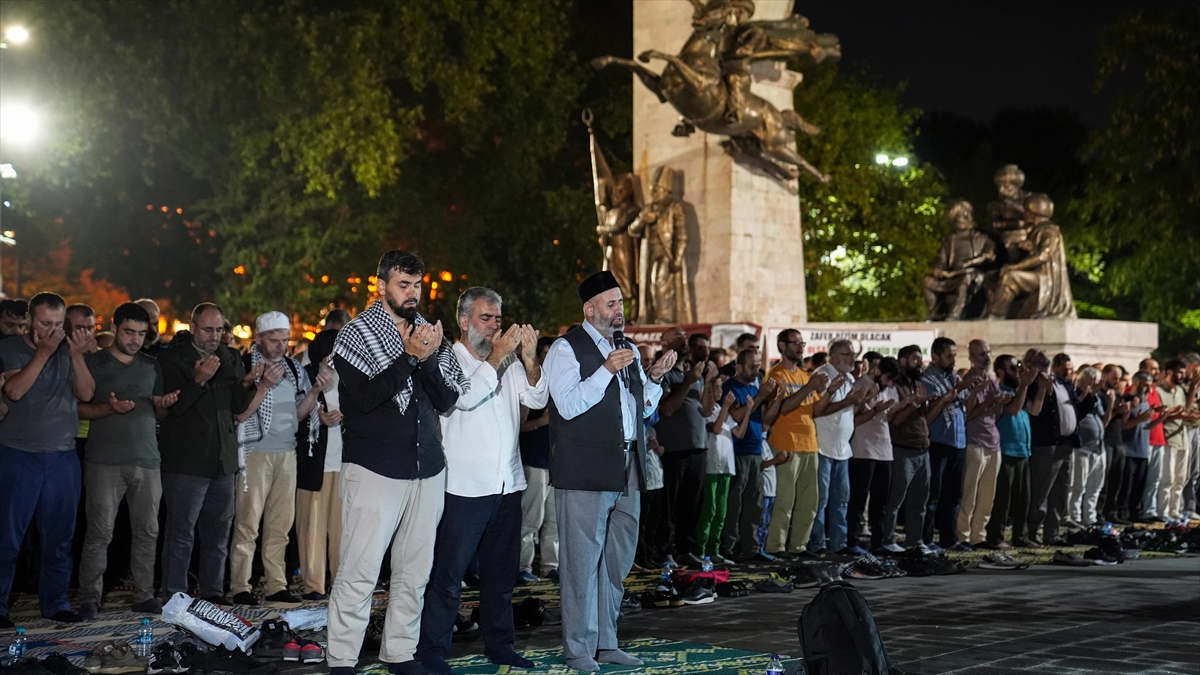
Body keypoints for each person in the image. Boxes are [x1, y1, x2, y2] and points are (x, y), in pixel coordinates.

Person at [326, 250, 466, 675]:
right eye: (403, 284)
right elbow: (364, 399)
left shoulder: (428, 335)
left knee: (414, 572)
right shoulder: (355, 334)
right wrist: (407, 358)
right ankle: (342, 660)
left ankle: (400, 653)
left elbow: (445, 401)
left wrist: (424, 358)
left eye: (417, 285)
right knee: (359, 571)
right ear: (381, 285)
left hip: (427, 469)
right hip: (374, 469)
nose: (412, 293)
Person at [544, 270, 676, 673]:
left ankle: (607, 642)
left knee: (616, 563)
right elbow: (566, 406)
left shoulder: (629, 349)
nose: (619, 311)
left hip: (628, 466)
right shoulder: (567, 349)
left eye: (621, 303)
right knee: (581, 565)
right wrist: (603, 369)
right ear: (590, 308)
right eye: (612, 303)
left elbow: (641, 409)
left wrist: (652, 378)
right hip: (586, 469)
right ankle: (578, 651)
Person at [417, 287, 545, 674]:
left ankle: (500, 645)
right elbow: (463, 399)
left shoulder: (507, 363)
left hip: (507, 484)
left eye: (497, 319)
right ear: (464, 321)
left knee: (501, 576)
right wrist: (500, 356)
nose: (493, 325)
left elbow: (537, 400)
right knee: (448, 575)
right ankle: (433, 650)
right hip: (464, 487)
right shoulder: (446, 358)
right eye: (486, 318)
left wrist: (530, 360)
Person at [77, 303, 178, 619]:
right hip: (104, 461)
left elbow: (159, 411)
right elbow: (79, 407)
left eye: (141, 332)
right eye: (129, 332)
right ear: (115, 328)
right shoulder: (95, 363)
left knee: (148, 531)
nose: (135, 339)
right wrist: (109, 409)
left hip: (148, 459)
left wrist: (163, 404)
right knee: (100, 533)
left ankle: (144, 595)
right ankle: (89, 599)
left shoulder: (151, 364)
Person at [0, 292, 96, 627]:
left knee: (59, 539)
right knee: (7, 539)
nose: (52, 331)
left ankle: (55, 603)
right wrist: (43, 353)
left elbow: (86, 394)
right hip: (17, 453)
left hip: (62, 456)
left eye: (58, 324)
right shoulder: (11, 348)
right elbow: (14, 391)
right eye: (45, 324)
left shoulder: (68, 350)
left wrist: (77, 356)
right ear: (29, 320)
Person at [158, 303, 256, 605]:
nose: (214, 336)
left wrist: (253, 383)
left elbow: (238, 408)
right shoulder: (171, 359)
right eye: (208, 329)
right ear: (192, 327)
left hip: (222, 461)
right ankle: (175, 594)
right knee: (181, 533)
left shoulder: (229, 357)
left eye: (219, 330)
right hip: (187, 460)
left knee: (218, 534)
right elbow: (171, 409)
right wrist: (198, 381)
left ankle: (213, 592)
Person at [229, 311, 326, 606]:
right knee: (247, 524)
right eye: (274, 340)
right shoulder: (244, 367)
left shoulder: (294, 369)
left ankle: (276, 585)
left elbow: (298, 414)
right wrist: (262, 386)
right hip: (254, 453)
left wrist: (316, 392)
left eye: (285, 340)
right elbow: (241, 413)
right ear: (258, 338)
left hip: (286, 454)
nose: (280, 346)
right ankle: (240, 586)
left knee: (280, 526)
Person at [761, 329, 828, 559]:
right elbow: (782, 408)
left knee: (809, 501)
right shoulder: (776, 375)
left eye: (802, 343)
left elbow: (816, 410)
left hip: (809, 443)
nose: (800, 348)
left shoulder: (804, 376)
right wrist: (809, 388)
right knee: (784, 499)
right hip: (785, 443)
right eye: (795, 343)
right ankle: (776, 546)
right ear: (781, 346)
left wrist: (831, 392)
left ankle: (799, 546)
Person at [656, 330, 715, 567]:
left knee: (691, 503)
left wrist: (708, 380)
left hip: (698, 445)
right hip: (673, 447)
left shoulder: (692, 372)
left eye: (684, 337)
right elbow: (667, 409)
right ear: (664, 343)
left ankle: (685, 549)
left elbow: (707, 410)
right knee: (669, 504)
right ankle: (665, 551)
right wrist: (688, 382)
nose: (683, 340)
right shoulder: (664, 372)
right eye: (677, 337)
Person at [920, 337, 985, 551]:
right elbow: (934, 406)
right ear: (935, 356)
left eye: (954, 355)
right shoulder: (927, 379)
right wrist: (961, 388)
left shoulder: (954, 377)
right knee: (933, 496)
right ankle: (927, 539)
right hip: (938, 441)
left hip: (957, 441)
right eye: (948, 355)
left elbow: (966, 407)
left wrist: (973, 391)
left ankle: (949, 539)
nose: (952, 360)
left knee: (953, 495)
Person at [810, 339, 872, 555]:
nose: (853, 359)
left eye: (853, 354)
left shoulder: (846, 378)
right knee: (821, 500)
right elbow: (817, 411)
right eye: (848, 355)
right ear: (834, 357)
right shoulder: (823, 375)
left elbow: (846, 413)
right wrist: (848, 401)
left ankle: (839, 543)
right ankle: (817, 544)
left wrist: (862, 402)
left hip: (842, 449)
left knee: (841, 500)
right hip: (823, 447)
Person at [296, 329, 344, 601]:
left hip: (344, 463)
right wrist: (320, 417)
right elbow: (297, 414)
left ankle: (340, 581)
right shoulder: (306, 376)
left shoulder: (351, 377)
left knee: (340, 529)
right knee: (311, 528)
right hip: (315, 464)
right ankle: (313, 585)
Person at [1026, 352, 1094, 545]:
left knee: (1060, 491)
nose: (1042, 358)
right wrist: (1044, 391)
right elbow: (1037, 413)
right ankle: (1032, 531)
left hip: (1066, 443)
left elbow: (1076, 411)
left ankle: (1052, 533)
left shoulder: (1063, 383)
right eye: (1037, 360)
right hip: (1047, 444)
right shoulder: (1033, 384)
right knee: (1042, 490)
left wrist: (1090, 396)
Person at [980, 355, 1044, 549]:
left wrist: (1040, 387)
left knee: (1023, 499)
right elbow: (1013, 411)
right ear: (1000, 372)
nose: (1018, 371)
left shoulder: (1018, 391)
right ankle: (996, 537)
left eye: (1018, 366)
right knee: (1002, 498)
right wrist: (1024, 386)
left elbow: (1034, 411)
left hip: (1023, 450)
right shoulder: (1000, 391)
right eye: (1013, 368)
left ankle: (1021, 536)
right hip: (1006, 449)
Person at [719, 349, 775, 561]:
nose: (756, 370)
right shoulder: (730, 388)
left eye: (758, 366)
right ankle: (729, 548)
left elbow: (765, 419)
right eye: (752, 366)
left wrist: (774, 400)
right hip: (737, 451)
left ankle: (751, 547)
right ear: (739, 367)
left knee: (755, 502)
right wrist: (761, 395)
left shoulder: (754, 387)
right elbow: (737, 414)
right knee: (735, 503)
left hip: (755, 450)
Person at [878, 349, 934, 553]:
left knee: (920, 501)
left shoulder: (918, 384)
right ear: (903, 361)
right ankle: (888, 540)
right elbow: (895, 420)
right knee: (895, 500)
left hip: (922, 447)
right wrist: (912, 404)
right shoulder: (896, 386)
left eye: (920, 358)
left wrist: (941, 402)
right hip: (902, 448)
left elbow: (924, 418)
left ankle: (915, 541)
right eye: (915, 359)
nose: (920, 363)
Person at [692, 369, 750, 564]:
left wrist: (748, 410)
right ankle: (700, 549)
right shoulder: (709, 410)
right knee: (709, 509)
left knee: (721, 511)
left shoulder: (721, 409)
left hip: (726, 466)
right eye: (716, 387)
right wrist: (725, 406)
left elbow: (739, 433)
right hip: (712, 465)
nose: (719, 391)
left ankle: (714, 549)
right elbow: (715, 429)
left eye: (720, 388)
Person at [847, 354, 899, 553]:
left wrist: (897, 408)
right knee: (858, 501)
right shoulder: (862, 385)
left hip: (884, 449)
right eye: (887, 379)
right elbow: (853, 418)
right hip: (863, 449)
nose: (889, 384)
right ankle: (851, 541)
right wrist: (875, 409)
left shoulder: (888, 388)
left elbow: (886, 417)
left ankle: (879, 543)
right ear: (877, 371)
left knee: (880, 502)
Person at [957, 340, 1007, 546]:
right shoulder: (968, 380)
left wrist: (1000, 403)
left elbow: (994, 415)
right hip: (974, 440)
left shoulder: (991, 380)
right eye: (980, 354)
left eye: (987, 353)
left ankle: (980, 535)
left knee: (987, 496)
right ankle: (964, 535)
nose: (985, 358)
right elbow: (968, 414)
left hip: (993, 441)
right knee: (969, 493)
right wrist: (986, 399)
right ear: (971, 357)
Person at [518, 337, 559, 584]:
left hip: (556, 461)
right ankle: (523, 566)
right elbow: (517, 425)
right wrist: (541, 423)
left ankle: (550, 565)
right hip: (534, 458)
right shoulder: (530, 382)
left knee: (554, 519)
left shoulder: (561, 382)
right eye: (547, 353)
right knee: (531, 517)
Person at [1120, 372, 1165, 522]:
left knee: (1139, 485)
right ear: (1136, 383)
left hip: (1143, 449)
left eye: (1149, 386)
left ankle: (1136, 512)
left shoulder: (1145, 402)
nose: (1148, 389)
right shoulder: (1127, 400)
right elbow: (1123, 426)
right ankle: (1123, 513)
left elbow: (1145, 426)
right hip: (1129, 449)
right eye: (1145, 385)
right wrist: (1139, 418)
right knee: (1127, 486)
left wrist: (1160, 419)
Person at [1156, 360, 1198, 522]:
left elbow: (1185, 410)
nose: (1181, 376)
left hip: (1182, 438)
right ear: (1168, 372)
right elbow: (1159, 417)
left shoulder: (1180, 390)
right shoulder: (1159, 391)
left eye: (1182, 372)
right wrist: (1177, 416)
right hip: (1168, 438)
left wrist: (1194, 386)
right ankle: (1163, 511)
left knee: (1181, 478)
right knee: (1167, 478)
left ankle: (1175, 510)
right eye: (1178, 372)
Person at [1066, 367, 1108, 527]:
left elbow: (1102, 418)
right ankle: (1074, 516)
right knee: (1078, 485)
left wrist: (1109, 404)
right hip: (1082, 447)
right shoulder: (1075, 394)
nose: (1095, 386)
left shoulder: (1097, 398)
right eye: (1093, 382)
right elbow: (1077, 412)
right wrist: (1088, 393)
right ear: (1083, 381)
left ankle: (1090, 517)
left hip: (1098, 448)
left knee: (1095, 485)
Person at [1099, 365, 1133, 523]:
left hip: (1118, 440)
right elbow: (1102, 421)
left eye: (1119, 378)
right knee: (1103, 481)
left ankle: (1112, 512)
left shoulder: (1117, 394)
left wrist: (1125, 411)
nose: (1117, 381)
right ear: (1104, 375)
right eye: (1114, 377)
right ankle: (1099, 512)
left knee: (1116, 479)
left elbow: (1122, 422)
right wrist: (1114, 409)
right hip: (1106, 440)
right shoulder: (1100, 395)